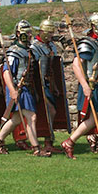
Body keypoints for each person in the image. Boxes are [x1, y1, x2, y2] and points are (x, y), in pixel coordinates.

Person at [60, 13, 98, 164]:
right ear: (94, 26)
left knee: (93, 120)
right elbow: (76, 64)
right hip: (94, 85)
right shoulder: (88, 43)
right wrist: (85, 85)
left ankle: (69, 142)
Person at [0, 20, 51, 157]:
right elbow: (6, 72)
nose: (30, 35)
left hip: (26, 89)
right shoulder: (13, 52)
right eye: (27, 33)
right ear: (19, 34)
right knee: (31, 117)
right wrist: (12, 90)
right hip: (18, 88)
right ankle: (36, 148)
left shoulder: (28, 50)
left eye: (30, 32)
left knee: (17, 119)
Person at [30, 18, 67, 154]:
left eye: (52, 32)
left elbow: (52, 68)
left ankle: (48, 141)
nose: (51, 35)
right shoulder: (34, 47)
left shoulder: (51, 46)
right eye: (48, 32)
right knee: (48, 111)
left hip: (48, 83)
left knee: (50, 111)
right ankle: (45, 141)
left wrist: (55, 86)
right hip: (38, 84)